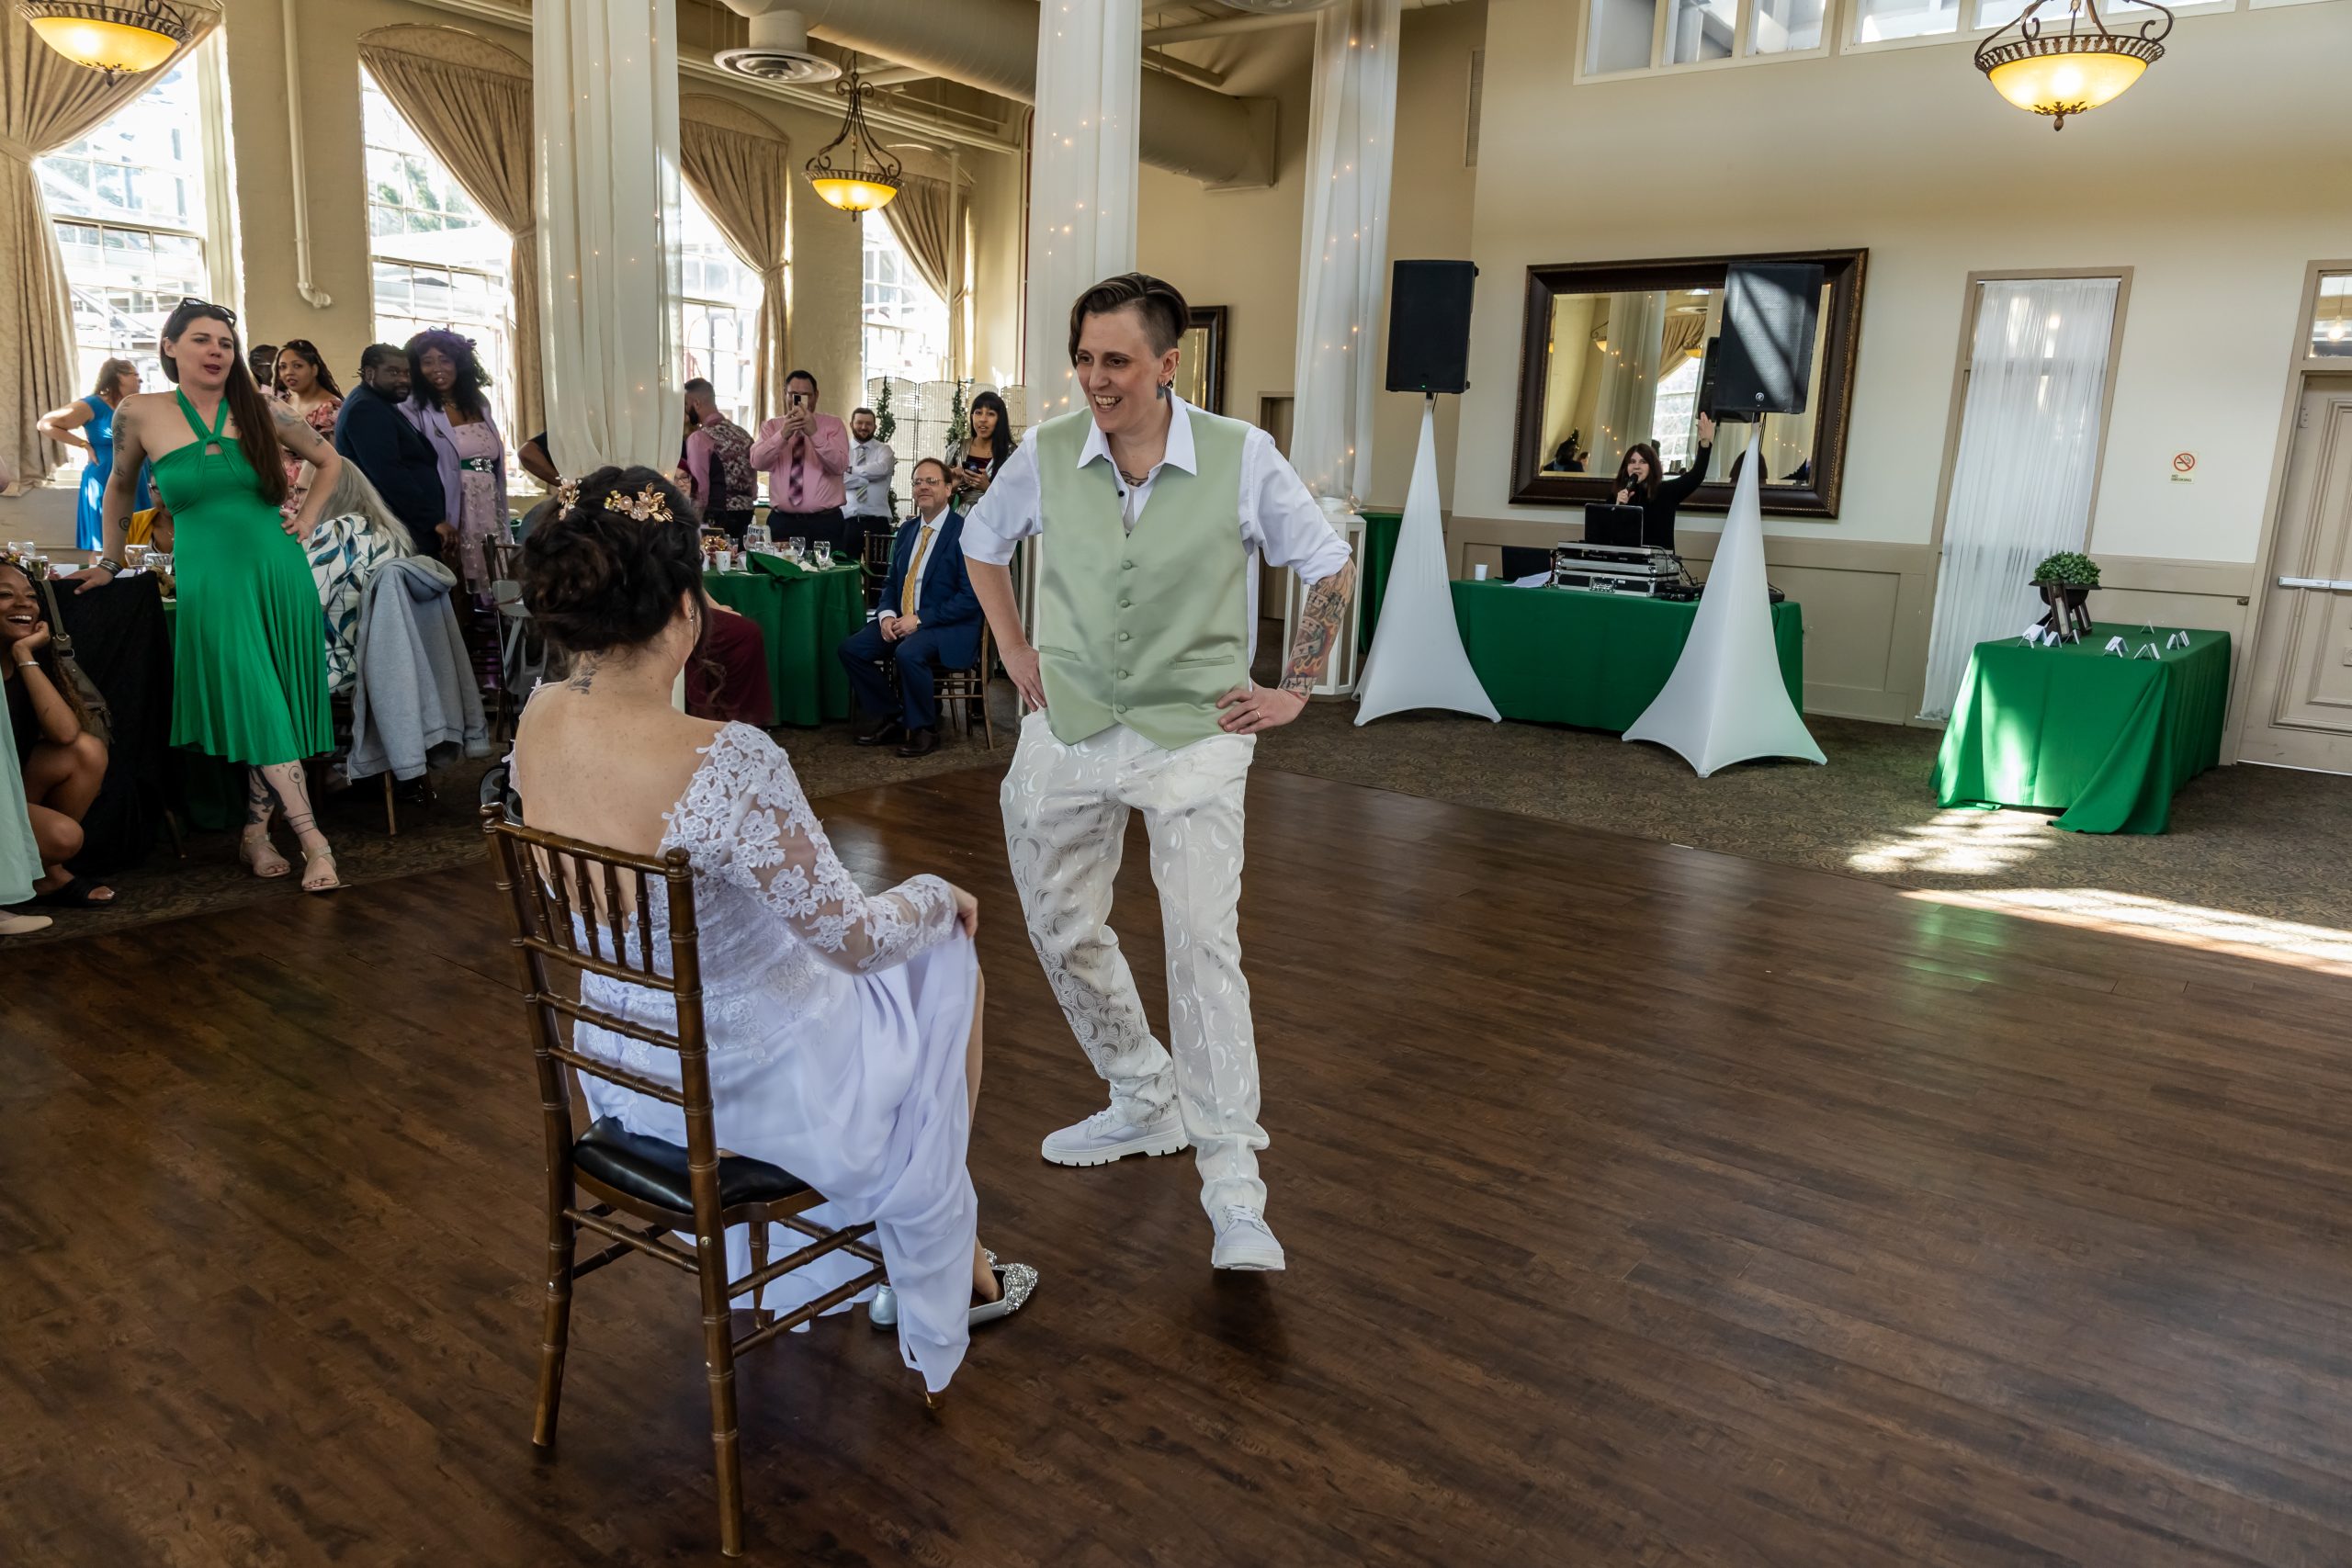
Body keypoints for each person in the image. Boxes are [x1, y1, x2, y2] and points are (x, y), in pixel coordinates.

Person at [510, 466, 1035, 1393]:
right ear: (685, 606)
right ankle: (942, 1252)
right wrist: (931, 893)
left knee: (852, 973)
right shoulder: (727, 758)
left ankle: (935, 1247)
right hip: (749, 1091)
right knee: (942, 960)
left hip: (625, 1073)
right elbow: (855, 941)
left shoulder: (537, 719)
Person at [963, 273, 1356, 1272]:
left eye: (1118, 361)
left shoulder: (1241, 454)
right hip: (1070, 721)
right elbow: (980, 543)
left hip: (1195, 730)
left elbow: (1330, 564)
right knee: (1056, 918)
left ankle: (1234, 1188)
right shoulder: (1047, 451)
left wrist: (1295, 687)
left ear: (1169, 364)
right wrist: (1014, 649)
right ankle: (1143, 1090)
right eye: (1084, 360)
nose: (1096, 379)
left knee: (1201, 944)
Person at [72, 298, 343, 894]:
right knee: (261, 705)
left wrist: (307, 520)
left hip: (279, 571)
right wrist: (110, 561)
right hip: (211, 581)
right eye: (201, 339)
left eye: (225, 342)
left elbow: (330, 461)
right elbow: (118, 487)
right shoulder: (139, 412)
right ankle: (315, 842)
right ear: (170, 348)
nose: (216, 350)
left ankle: (255, 835)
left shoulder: (263, 408)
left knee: (275, 708)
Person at [837, 457, 978, 760]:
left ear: (949, 489)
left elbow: (971, 597)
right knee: (852, 649)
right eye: (917, 482)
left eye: (932, 481)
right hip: (902, 619)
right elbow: (891, 583)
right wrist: (887, 616)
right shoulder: (907, 530)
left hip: (945, 625)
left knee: (908, 652)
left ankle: (925, 728)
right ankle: (893, 716)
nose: (923, 487)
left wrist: (921, 618)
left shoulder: (965, 532)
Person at [1, 558, 114, 908]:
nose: (24, 605)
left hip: (10, 786)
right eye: (5, 595)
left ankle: (45, 873)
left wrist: (24, 655)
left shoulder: (21, 656)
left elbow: (65, 734)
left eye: (31, 596)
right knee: (63, 837)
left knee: (85, 751)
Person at [402, 330, 509, 592]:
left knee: (492, 571)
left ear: (459, 364)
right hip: (452, 500)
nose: (437, 368)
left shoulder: (479, 402)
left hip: (488, 498)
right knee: (457, 576)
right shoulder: (413, 406)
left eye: (445, 360)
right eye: (427, 362)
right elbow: (415, 463)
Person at [337, 344, 448, 558]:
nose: (404, 380)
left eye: (407, 373)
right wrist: (432, 521)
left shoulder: (378, 403)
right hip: (398, 525)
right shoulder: (366, 409)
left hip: (404, 524)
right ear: (370, 373)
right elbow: (389, 474)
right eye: (394, 372)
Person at [38, 359, 152, 551]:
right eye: (135, 375)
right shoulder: (92, 405)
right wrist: (84, 445)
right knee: (105, 544)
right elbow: (45, 424)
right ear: (118, 377)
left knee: (139, 543)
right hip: (105, 477)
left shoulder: (136, 405)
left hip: (139, 479)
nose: (139, 380)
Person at [749, 369, 852, 559]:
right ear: (785, 394)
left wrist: (814, 433)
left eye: (806, 395)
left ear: (816, 396)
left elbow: (839, 466)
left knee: (827, 573)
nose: (800, 400)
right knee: (781, 573)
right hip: (783, 522)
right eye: (794, 395)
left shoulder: (833, 425)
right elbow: (757, 461)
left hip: (825, 523)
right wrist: (782, 435)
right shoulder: (772, 426)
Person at [1612, 414, 1714, 550]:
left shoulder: (1666, 491)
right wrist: (1617, 507)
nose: (1636, 466)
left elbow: (1696, 476)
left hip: (1659, 560)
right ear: (1626, 467)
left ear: (1652, 466)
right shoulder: (1617, 494)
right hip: (1625, 559)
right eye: (1632, 462)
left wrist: (1705, 443)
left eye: (1643, 462)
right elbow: (1605, 534)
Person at [272, 340, 344, 520]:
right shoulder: (282, 403)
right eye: (282, 367)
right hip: (279, 494)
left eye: (297, 366)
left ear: (314, 369)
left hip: (310, 495)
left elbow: (329, 461)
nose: (289, 372)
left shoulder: (330, 408)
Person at [679, 381, 758, 541]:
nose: (686, 409)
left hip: (716, 518)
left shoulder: (699, 438)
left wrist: (693, 522)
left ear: (696, 403)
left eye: (686, 404)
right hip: (747, 514)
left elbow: (700, 488)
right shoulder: (743, 435)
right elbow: (754, 489)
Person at [945, 389, 1015, 509]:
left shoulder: (1011, 453)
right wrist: (952, 488)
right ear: (972, 416)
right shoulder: (957, 448)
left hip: (994, 516)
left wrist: (987, 487)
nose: (983, 419)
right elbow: (940, 499)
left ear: (1000, 419)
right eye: (978, 413)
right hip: (961, 517)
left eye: (990, 414)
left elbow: (1017, 500)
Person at [842, 404, 896, 556]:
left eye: (868, 424)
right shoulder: (841, 450)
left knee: (878, 569)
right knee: (844, 566)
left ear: (875, 427)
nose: (864, 427)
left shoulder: (884, 450)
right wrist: (867, 478)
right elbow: (838, 479)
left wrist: (851, 469)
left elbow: (882, 469)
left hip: (878, 522)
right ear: (851, 424)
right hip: (848, 522)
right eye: (859, 423)